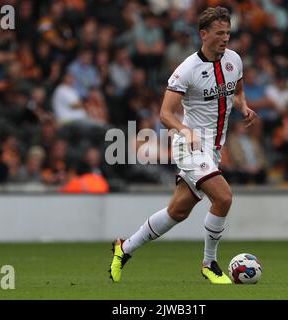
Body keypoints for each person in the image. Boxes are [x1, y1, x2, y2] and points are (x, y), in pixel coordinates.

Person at [109, 6, 257, 285]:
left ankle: (124, 248)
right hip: (189, 145)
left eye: (228, 32)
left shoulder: (234, 60)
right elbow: (165, 113)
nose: (225, 38)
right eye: (219, 33)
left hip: (213, 149)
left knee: (177, 211)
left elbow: (237, 91)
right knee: (223, 198)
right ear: (203, 34)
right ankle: (209, 264)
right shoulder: (187, 69)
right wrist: (185, 131)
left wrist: (244, 106)